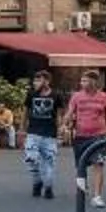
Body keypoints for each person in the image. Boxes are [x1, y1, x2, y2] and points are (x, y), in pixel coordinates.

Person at [65, 70, 106, 207]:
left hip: (99, 135)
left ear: (94, 82)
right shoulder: (76, 96)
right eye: (81, 81)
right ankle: (83, 188)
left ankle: (97, 196)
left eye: (85, 81)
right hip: (80, 135)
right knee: (81, 165)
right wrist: (65, 124)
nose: (82, 83)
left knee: (98, 164)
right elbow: (70, 112)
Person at [21, 72, 61, 200]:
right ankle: (37, 181)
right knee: (31, 159)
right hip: (33, 133)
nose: (35, 83)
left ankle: (48, 187)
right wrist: (22, 130)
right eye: (35, 81)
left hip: (50, 135)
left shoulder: (56, 95)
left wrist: (60, 131)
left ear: (47, 81)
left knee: (49, 162)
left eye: (39, 80)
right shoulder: (31, 94)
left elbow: (58, 115)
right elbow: (25, 113)